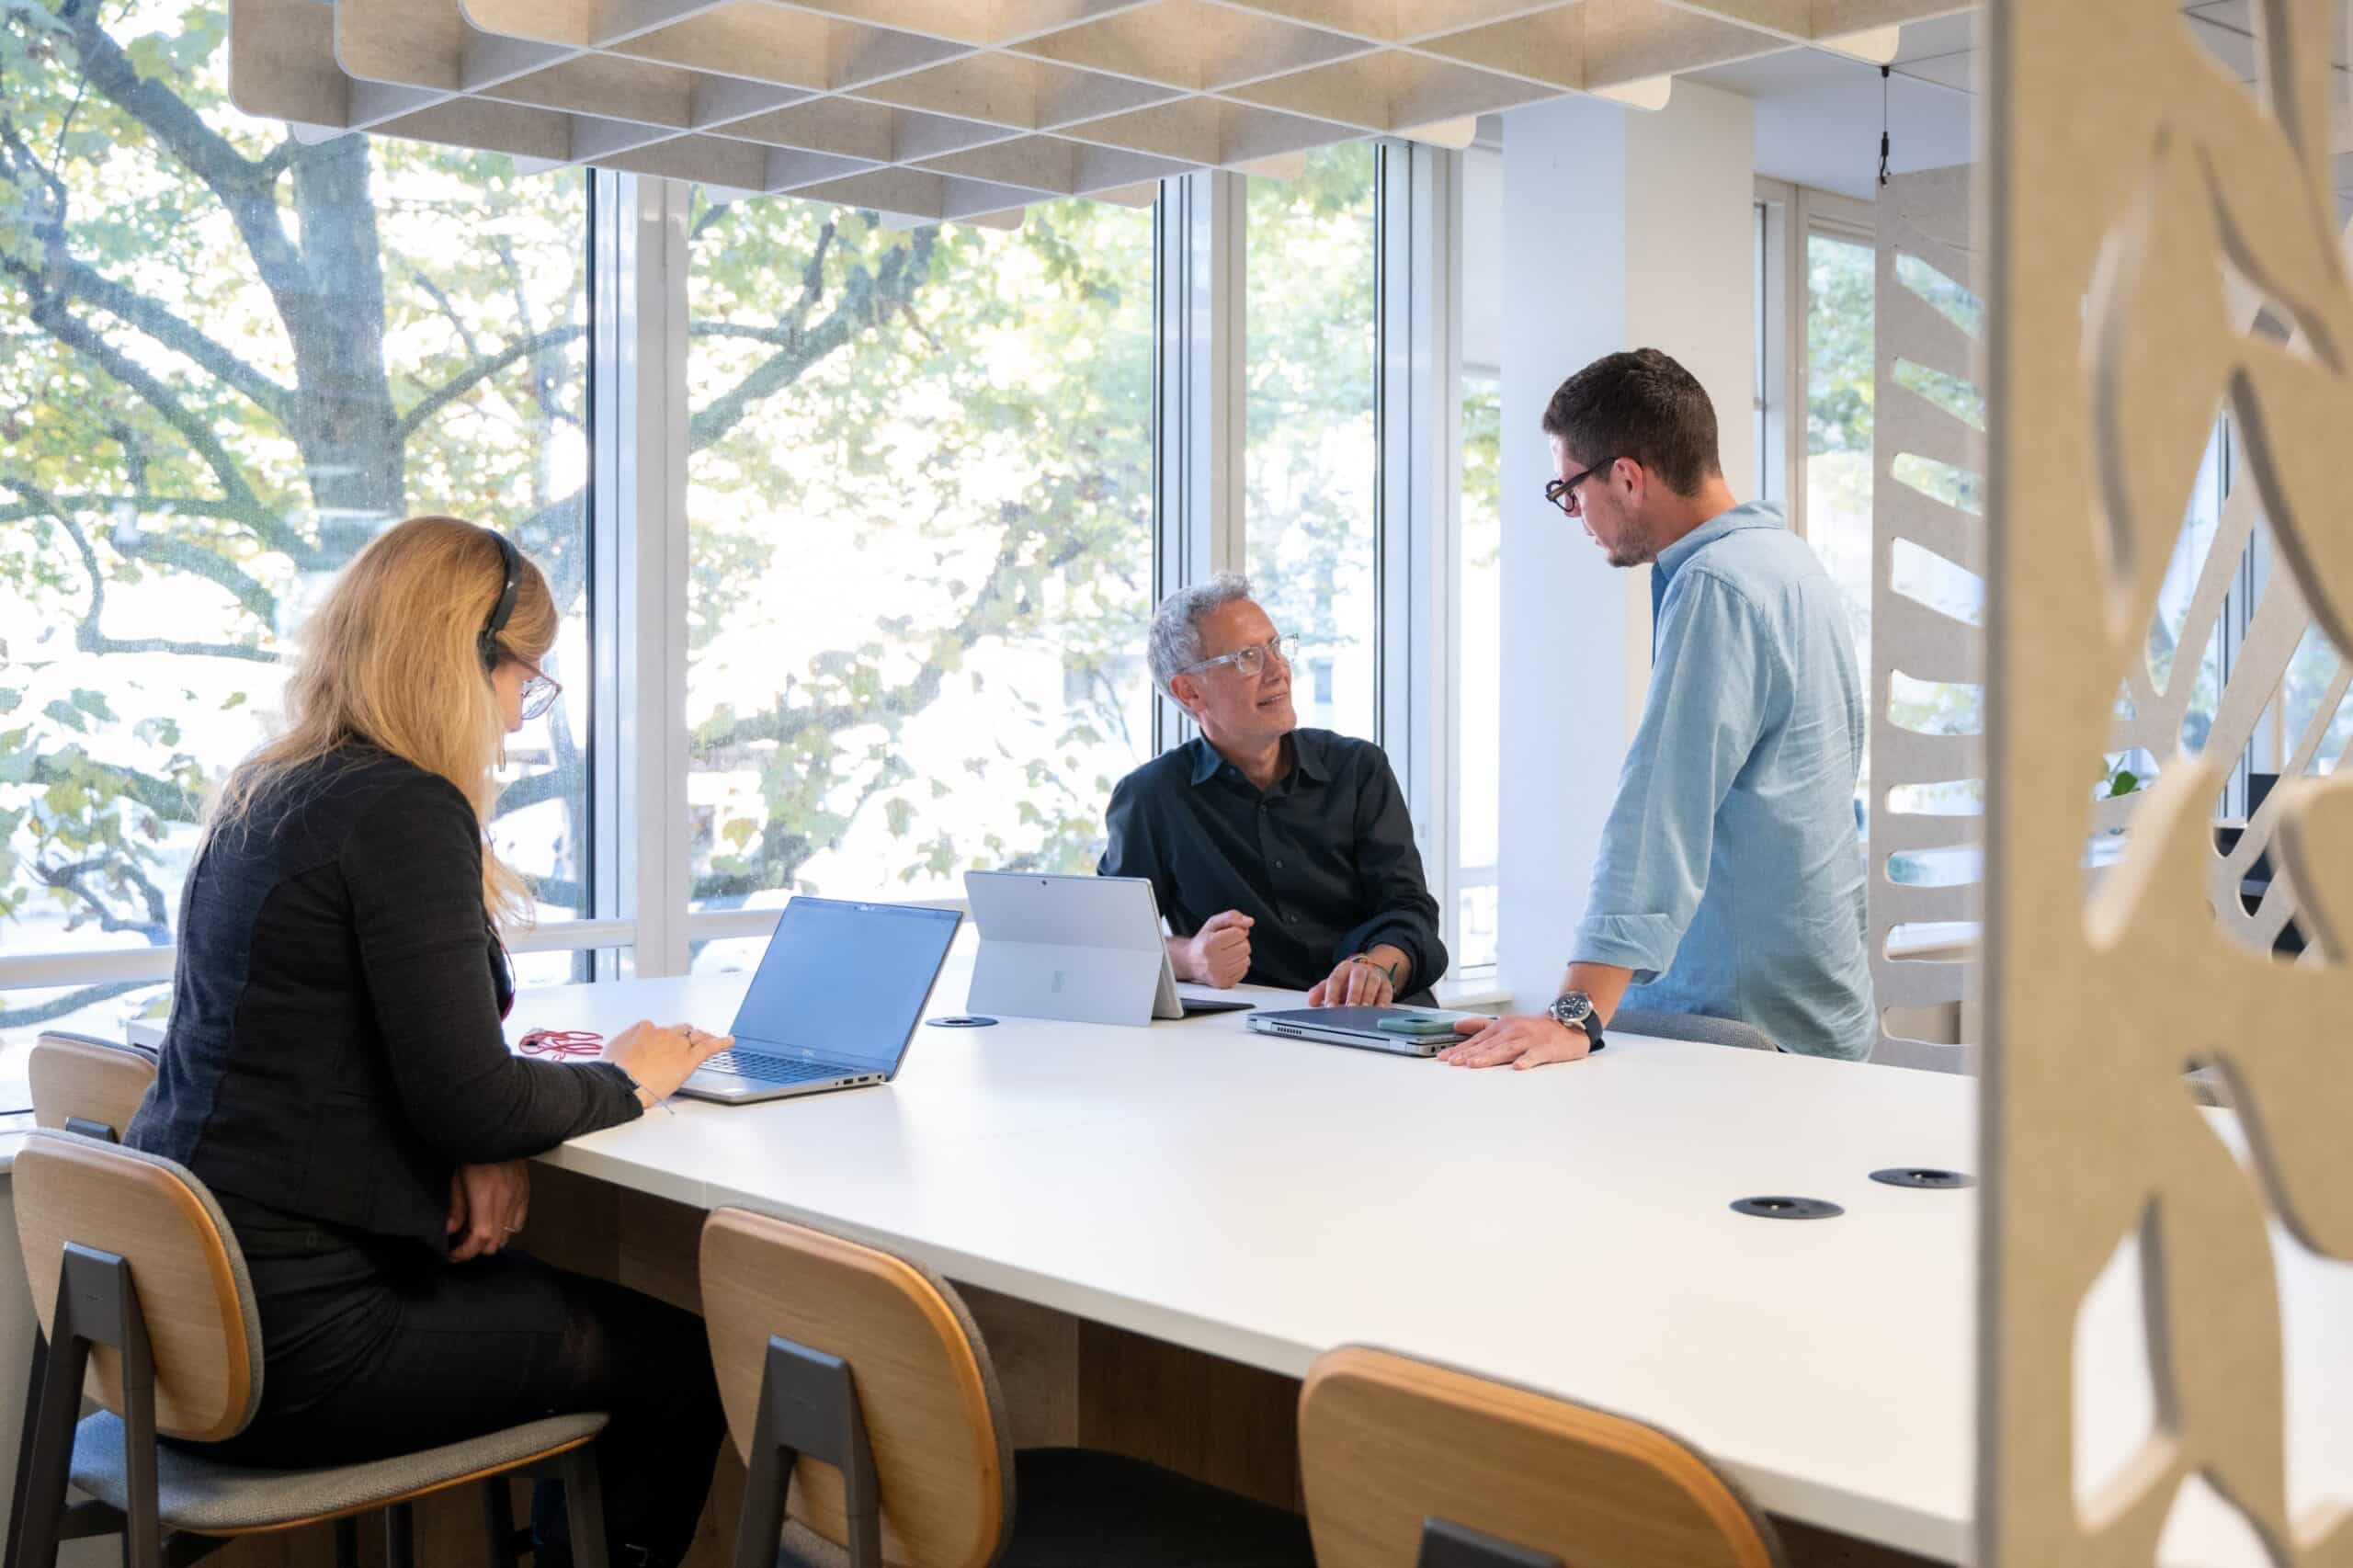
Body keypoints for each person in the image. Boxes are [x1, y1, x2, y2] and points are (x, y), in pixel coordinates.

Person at [127, 516, 732, 1568]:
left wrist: (476, 1132)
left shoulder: (277, 788)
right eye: (524, 677)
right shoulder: (404, 807)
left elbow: (369, 1056)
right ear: (460, 657)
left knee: (564, 1299)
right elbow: (468, 1096)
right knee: (688, 1358)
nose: (518, 714)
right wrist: (624, 1079)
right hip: (299, 1336)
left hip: (185, 1318)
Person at [1443, 348, 1872, 1069]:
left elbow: (1661, 809)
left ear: (1628, 476)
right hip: (1820, 1001)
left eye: (1569, 491)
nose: (1576, 518)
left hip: (1739, 1025)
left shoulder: (1717, 585)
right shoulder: (1792, 563)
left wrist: (1573, 1015)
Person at [1100, 574, 1447, 1006]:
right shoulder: (1151, 796)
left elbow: (1409, 910)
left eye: (1276, 648)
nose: (1278, 670)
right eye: (1247, 657)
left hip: (1383, 1024)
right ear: (1189, 691)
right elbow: (1112, 942)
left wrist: (1379, 966)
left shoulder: (1359, 769)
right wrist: (1190, 957)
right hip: (1249, 1043)